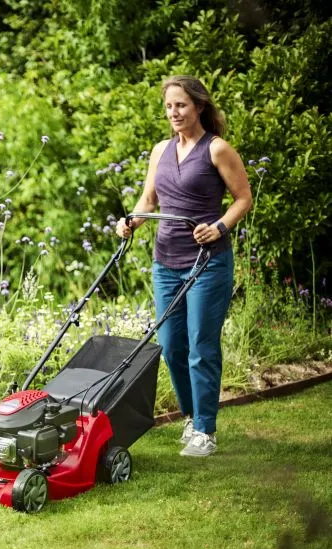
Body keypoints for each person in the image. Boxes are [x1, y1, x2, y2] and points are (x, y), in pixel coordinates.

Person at [116, 75, 252, 457]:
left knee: (201, 346)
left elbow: (243, 198)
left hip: (207, 262)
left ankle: (205, 430)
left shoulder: (217, 149)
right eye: (169, 106)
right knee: (172, 346)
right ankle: (192, 418)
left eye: (181, 105)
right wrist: (131, 222)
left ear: (199, 106)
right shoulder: (160, 150)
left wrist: (220, 226)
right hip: (166, 262)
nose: (173, 112)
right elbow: (148, 199)